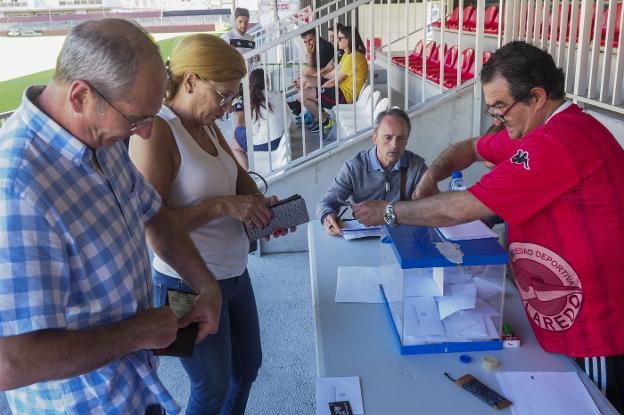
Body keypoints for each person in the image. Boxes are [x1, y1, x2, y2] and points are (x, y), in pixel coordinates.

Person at [353, 41, 624, 413]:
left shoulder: (559, 141)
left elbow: (461, 209)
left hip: (595, 329)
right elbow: (472, 148)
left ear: (538, 97)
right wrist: (433, 174)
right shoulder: (531, 132)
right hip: (557, 313)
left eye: (501, 107)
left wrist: (389, 211)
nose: (496, 117)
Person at [0, 19, 222, 415]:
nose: (146, 134)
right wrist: (136, 333)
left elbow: (153, 212)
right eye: (136, 119)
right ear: (81, 96)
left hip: (136, 388)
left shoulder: (101, 136)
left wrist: (205, 284)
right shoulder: (16, 188)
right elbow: (10, 363)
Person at [129, 34, 291, 415]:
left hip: (234, 274)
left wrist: (264, 210)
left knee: (247, 369)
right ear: (190, 81)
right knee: (210, 386)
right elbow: (150, 227)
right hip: (183, 284)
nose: (227, 106)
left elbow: (240, 182)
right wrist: (222, 206)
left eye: (233, 98)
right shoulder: (157, 132)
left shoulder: (207, 124)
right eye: (222, 95)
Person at [317, 108, 427, 236]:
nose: (394, 145)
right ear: (374, 138)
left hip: (404, 236)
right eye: (388, 137)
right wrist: (327, 216)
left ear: (407, 140)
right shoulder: (354, 167)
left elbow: (431, 205)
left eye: (401, 138)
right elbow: (327, 202)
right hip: (364, 236)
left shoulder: (417, 167)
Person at [300, 25, 369, 135]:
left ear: (349, 39)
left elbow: (333, 81)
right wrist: (313, 82)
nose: (337, 40)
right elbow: (332, 73)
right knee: (305, 80)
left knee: (303, 96)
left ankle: (325, 122)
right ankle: (321, 116)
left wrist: (318, 89)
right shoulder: (347, 53)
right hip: (339, 88)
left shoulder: (354, 57)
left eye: (340, 38)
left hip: (344, 95)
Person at [230, 68, 292, 170]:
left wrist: (239, 114)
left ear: (250, 83)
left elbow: (253, 132)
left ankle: (247, 174)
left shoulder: (255, 101)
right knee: (237, 135)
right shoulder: (278, 95)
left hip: (268, 144)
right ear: (266, 80)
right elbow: (289, 117)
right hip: (280, 137)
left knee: (234, 144)